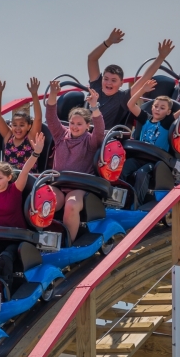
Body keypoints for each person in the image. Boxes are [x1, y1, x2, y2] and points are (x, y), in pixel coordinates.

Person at [0, 134, 45, 285]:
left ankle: (6, 288)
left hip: (16, 237)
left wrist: (36, 152)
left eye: (0, 178)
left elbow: (25, 171)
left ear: (9, 177)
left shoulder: (14, 190)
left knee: (5, 257)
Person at [118, 76, 180, 202]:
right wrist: (143, 90)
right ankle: (121, 199)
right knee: (122, 168)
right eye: (156, 106)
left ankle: (137, 203)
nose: (158, 109)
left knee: (141, 173)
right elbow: (130, 104)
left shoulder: (167, 122)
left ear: (168, 112)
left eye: (162, 108)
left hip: (154, 160)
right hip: (139, 156)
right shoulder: (145, 118)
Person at [45, 80, 105, 242]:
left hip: (79, 187)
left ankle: (68, 243)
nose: (74, 127)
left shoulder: (90, 141)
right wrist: (53, 94)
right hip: (59, 184)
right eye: (72, 123)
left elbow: (100, 131)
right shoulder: (60, 135)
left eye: (79, 124)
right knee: (44, 200)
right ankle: (43, 240)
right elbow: (51, 118)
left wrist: (94, 106)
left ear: (87, 126)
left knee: (71, 205)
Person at [87, 28, 175, 129]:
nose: (109, 83)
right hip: (83, 132)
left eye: (113, 80)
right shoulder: (96, 87)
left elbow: (145, 78)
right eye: (106, 79)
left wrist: (161, 57)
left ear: (121, 83)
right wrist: (108, 42)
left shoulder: (122, 97)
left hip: (103, 136)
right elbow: (92, 59)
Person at [0, 76, 43, 169]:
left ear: (29, 126)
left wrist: (34, 94)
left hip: (26, 176)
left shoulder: (30, 138)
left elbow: (38, 118)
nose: (18, 128)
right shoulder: (9, 136)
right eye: (15, 125)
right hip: (8, 176)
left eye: (22, 125)